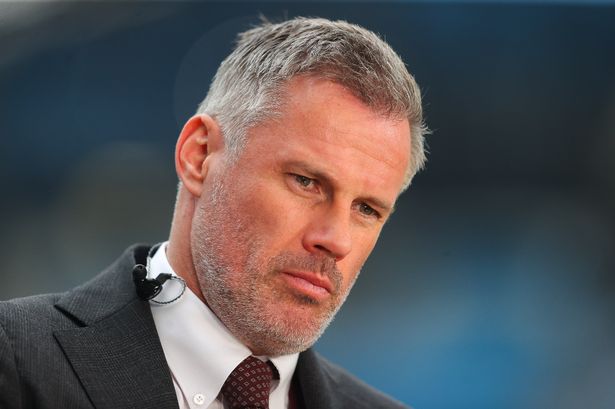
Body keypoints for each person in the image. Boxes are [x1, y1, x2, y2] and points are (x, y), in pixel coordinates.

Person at [0, 17, 427, 409]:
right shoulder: (16, 361)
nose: (336, 239)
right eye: (306, 182)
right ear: (199, 156)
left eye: (366, 209)